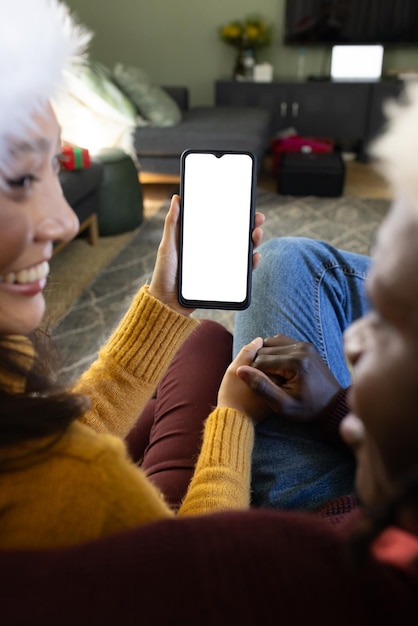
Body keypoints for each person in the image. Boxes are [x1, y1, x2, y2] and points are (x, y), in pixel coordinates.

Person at [0, 0, 266, 549]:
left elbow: (56, 436)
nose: (67, 219)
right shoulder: (82, 481)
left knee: (205, 337)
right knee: (278, 284)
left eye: (55, 166)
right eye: (21, 178)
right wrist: (234, 420)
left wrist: (166, 303)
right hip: (167, 542)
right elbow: (198, 576)